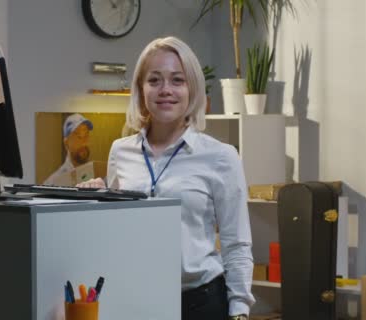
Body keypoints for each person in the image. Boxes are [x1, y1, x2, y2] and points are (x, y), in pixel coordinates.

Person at [78, 36, 255, 320]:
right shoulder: (120, 151)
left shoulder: (221, 157)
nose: (166, 90)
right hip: (136, 300)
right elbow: (115, 234)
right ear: (140, 89)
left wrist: (240, 311)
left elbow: (237, 245)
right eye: (155, 80)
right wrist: (95, 200)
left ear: (192, 88)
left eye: (177, 80)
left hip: (201, 303)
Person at [44, 113, 93, 185]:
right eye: (78, 136)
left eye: (86, 135)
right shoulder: (53, 183)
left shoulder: (96, 177)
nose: (84, 142)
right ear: (66, 143)